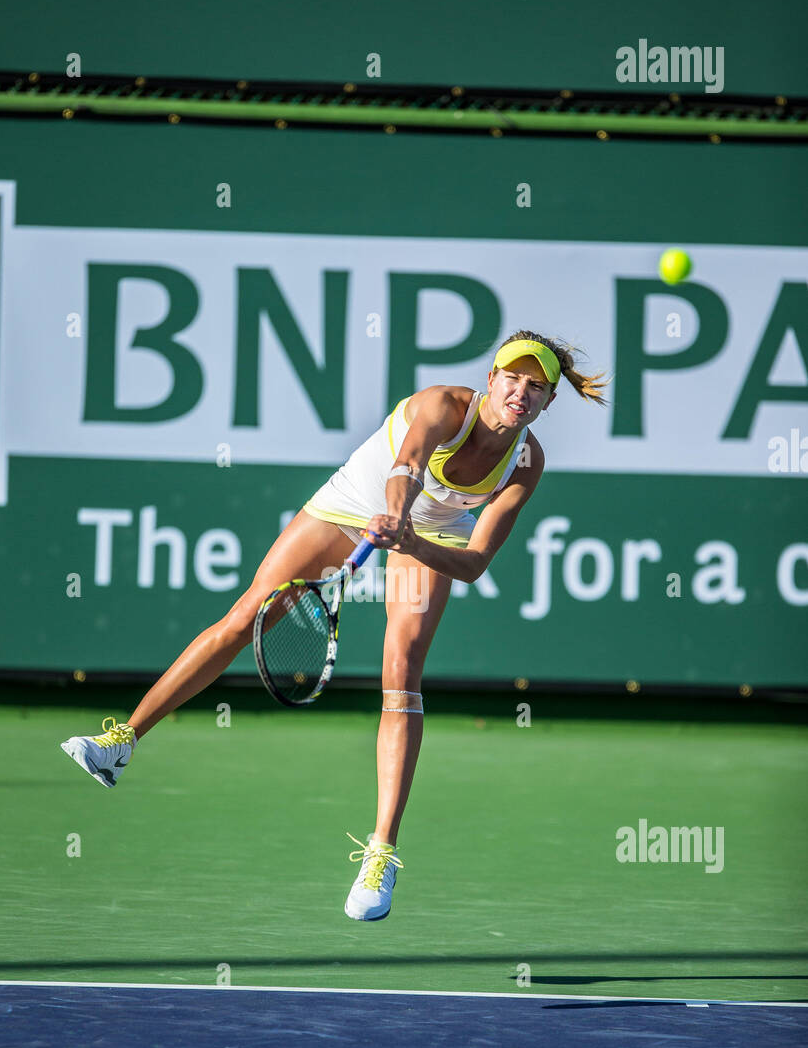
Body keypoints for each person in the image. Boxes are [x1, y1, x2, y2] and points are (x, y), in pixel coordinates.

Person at [61, 331, 607, 920]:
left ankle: (381, 853)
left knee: (401, 673)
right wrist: (396, 514)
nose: (520, 393)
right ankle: (122, 741)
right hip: (357, 501)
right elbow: (407, 467)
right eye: (512, 379)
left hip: (429, 537)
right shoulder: (444, 405)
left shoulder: (527, 461)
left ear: (549, 400)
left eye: (536, 386)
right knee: (248, 617)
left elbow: (474, 564)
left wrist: (411, 538)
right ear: (491, 379)